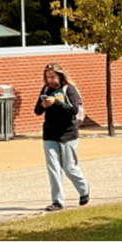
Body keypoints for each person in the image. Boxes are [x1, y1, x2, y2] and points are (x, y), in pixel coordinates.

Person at [34, 63, 90, 212]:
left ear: (60, 75)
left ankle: (83, 189)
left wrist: (57, 102)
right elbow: (37, 111)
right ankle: (57, 201)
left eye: (52, 76)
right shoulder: (46, 90)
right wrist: (44, 105)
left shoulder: (68, 89)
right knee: (53, 168)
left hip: (67, 134)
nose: (50, 80)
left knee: (69, 168)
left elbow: (73, 110)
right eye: (47, 77)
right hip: (50, 135)